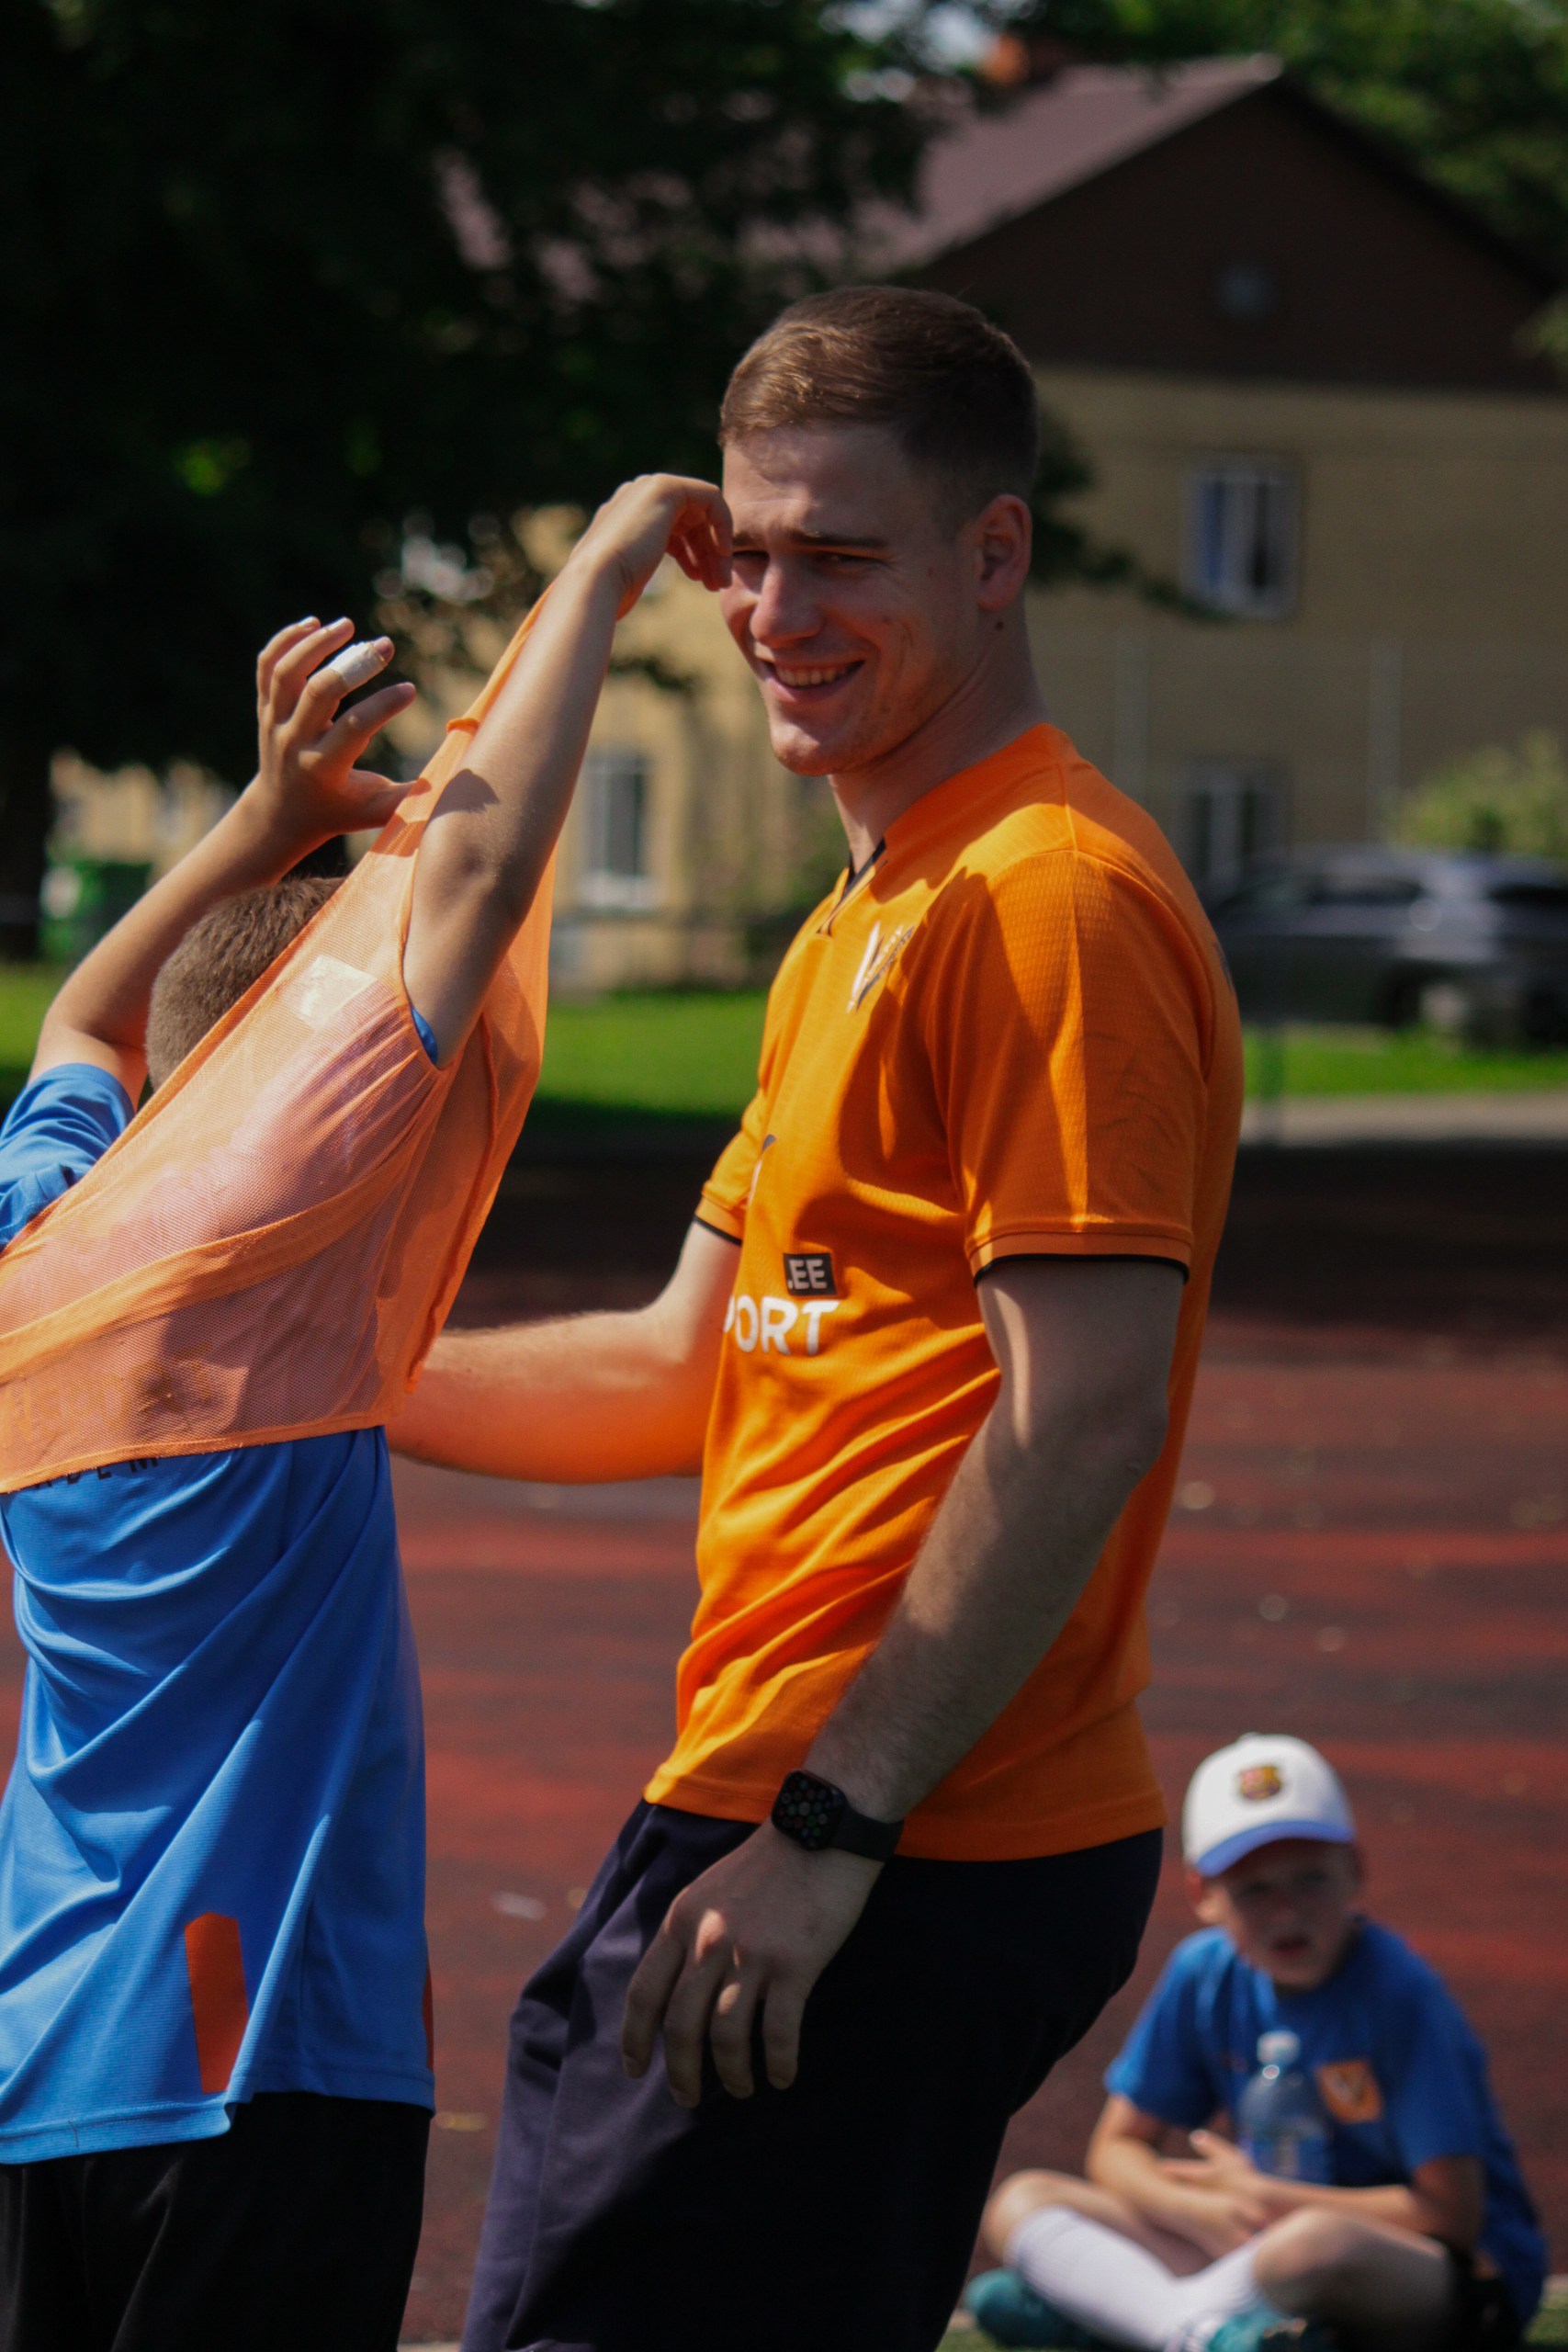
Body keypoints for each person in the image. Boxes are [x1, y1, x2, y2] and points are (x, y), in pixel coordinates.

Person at [389, 284, 1246, 2352]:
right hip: (788, 1793)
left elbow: (1081, 1411)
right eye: (747, 553)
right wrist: (309, 1378)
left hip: (887, 1826)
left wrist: (830, 1829)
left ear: (993, 553)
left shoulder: (1044, 896)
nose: (773, 611)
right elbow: (690, 1360)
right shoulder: (869, 907)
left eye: (839, 557)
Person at [0, 471, 729, 2352]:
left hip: (36, 2054)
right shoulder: (263, 1245)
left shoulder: (38, 1244)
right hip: (254, 2061)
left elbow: (80, 1029)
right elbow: (470, 886)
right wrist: (604, 560)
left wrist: (268, 818)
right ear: (285, 1090)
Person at [970, 1733, 1548, 2352]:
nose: (1285, 1911)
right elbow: (1115, 2151)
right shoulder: (1203, 1973)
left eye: (1310, 1879)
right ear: (1203, 1895)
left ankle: (1122, 2318)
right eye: (1253, 1889)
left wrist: (1264, 2198)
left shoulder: (1400, 1995)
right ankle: (1202, 2331)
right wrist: (1201, 2210)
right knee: (1021, 2200)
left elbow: (1449, 2215)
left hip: (1432, 2275)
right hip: (1252, 2239)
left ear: (1354, 1870)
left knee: (1311, 2247)